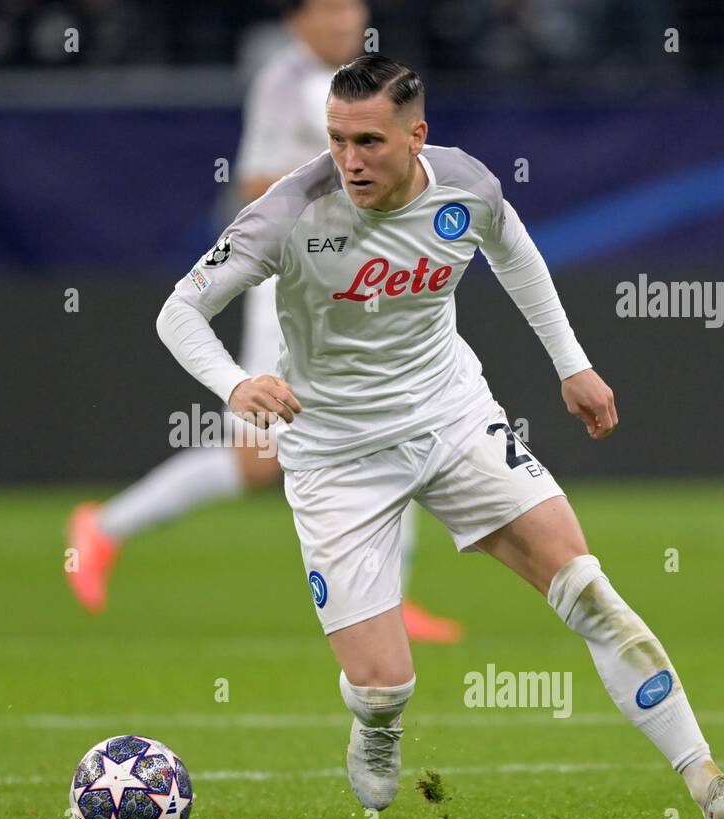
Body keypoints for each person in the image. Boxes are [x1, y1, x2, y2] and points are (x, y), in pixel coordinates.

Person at [155, 53, 724, 819]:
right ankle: (379, 722)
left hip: (452, 419)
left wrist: (574, 367)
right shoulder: (291, 212)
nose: (348, 160)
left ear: (417, 135)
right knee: (385, 683)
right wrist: (234, 384)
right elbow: (179, 310)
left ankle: (711, 784)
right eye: (336, 139)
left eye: (369, 141)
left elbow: (516, 255)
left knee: (587, 587)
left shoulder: (467, 187)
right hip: (336, 454)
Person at [66, 0, 460, 643]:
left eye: (350, 6)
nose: (343, 19)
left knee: (393, 416)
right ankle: (103, 528)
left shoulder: (361, 82)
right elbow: (252, 184)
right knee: (257, 458)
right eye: (327, 8)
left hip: (352, 286)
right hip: (289, 290)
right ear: (296, 18)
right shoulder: (288, 82)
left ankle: (391, 597)